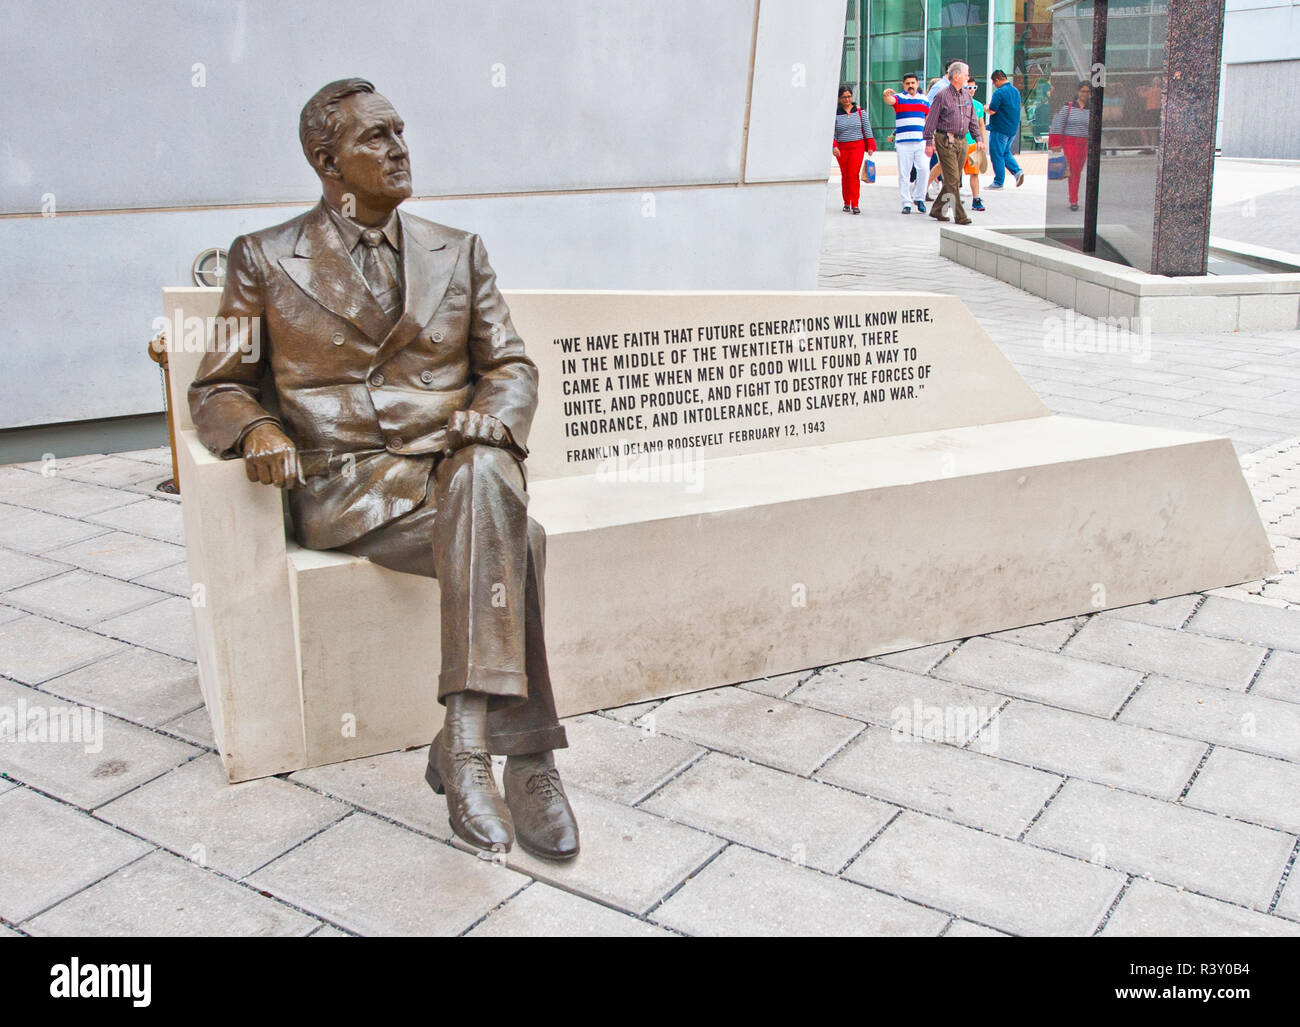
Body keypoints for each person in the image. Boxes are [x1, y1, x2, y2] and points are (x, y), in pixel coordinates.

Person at [188, 79, 579, 861]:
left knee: (486, 473)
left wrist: (493, 415)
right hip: (347, 486)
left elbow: (510, 366)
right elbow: (218, 385)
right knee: (516, 532)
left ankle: (470, 745)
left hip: (447, 471)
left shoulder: (457, 249)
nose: (400, 148)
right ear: (326, 160)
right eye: (377, 138)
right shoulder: (264, 258)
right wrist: (258, 426)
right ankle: (524, 754)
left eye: (401, 131)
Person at [923, 61, 982, 225]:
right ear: (956, 76)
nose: (968, 77)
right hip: (945, 140)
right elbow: (931, 121)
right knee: (953, 179)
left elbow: (973, 121)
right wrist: (929, 142)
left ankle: (937, 209)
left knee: (952, 179)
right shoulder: (942, 95)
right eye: (966, 74)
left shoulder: (966, 95)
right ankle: (960, 215)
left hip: (962, 140)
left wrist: (979, 139)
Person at [882, 73, 929, 214]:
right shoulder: (900, 98)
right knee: (904, 173)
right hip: (903, 142)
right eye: (907, 83)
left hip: (921, 141)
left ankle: (919, 198)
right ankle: (906, 202)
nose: (910, 86)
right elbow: (890, 100)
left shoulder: (924, 99)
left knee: (924, 169)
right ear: (904, 85)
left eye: (913, 83)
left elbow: (928, 118)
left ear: (917, 84)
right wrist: (885, 95)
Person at [832, 83, 874, 214]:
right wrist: (834, 146)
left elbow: (867, 129)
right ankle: (846, 202)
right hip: (842, 148)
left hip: (857, 146)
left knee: (853, 174)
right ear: (839, 98)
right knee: (845, 175)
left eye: (849, 96)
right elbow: (831, 132)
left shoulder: (860, 112)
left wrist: (870, 146)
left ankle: (855, 203)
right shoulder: (835, 114)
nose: (847, 100)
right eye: (844, 97)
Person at [1049, 80, 1092, 210]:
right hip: (1070, 143)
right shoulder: (1067, 107)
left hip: (1084, 143)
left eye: (1087, 91)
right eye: (1082, 91)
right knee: (1073, 172)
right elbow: (1057, 124)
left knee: (1077, 171)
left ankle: (1074, 197)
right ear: (1078, 92)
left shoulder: (1093, 109)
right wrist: (1055, 143)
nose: (1085, 94)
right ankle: (1073, 200)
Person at [985, 69, 1025, 189]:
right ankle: (1017, 172)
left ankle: (998, 182)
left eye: (994, 82)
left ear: (997, 79)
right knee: (1005, 152)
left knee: (997, 154)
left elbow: (992, 110)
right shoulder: (1015, 91)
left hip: (999, 128)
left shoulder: (999, 93)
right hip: (1012, 129)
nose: (994, 85)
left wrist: (985, 108)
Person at [962, 80, 989, 212]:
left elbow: (981, 125)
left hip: (973, 145)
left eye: (974, 87)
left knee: (974, 173)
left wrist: (983, 142)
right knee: (955, 174)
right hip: (959, 144)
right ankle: (951, 199)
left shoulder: (978, 106)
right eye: (969, 87)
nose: (971, 90)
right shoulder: (958, 103)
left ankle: (976, 199)